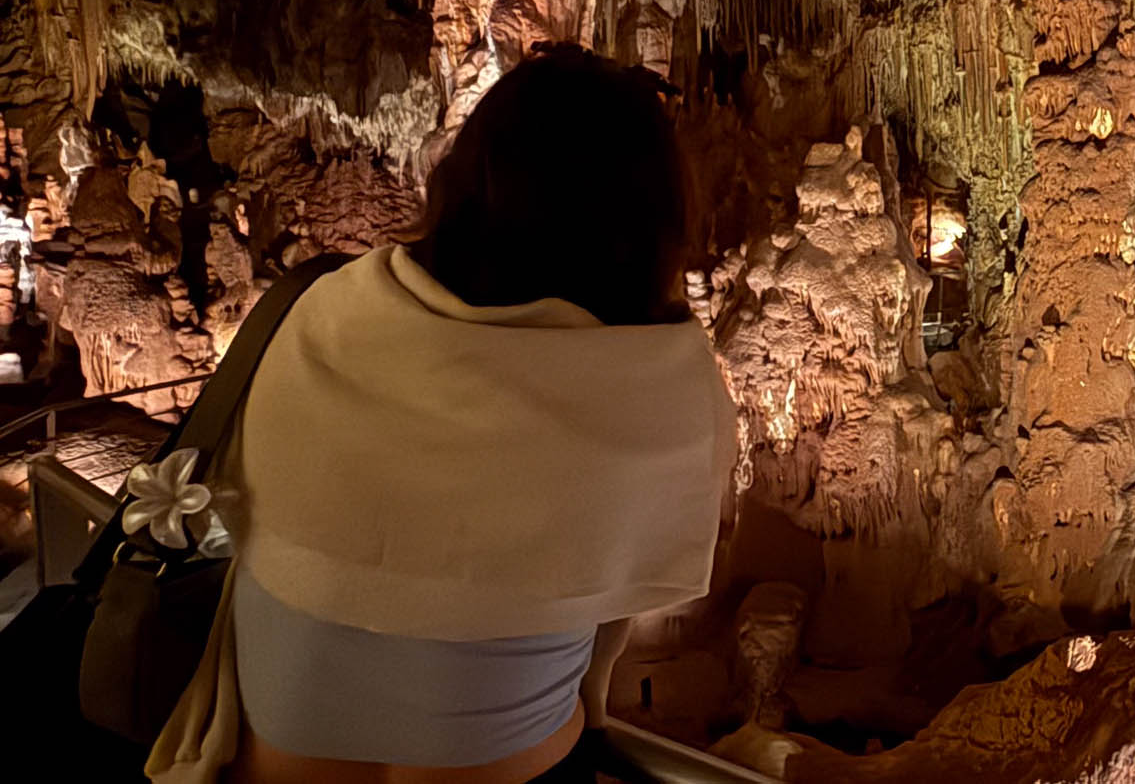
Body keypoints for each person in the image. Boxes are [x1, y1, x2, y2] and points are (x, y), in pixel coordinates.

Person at [149, 45, 737, 784]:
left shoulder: (323, 313)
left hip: (264, 760)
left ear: (464, 182)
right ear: (648, 224)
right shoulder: (662, 393)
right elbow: (641, 577)